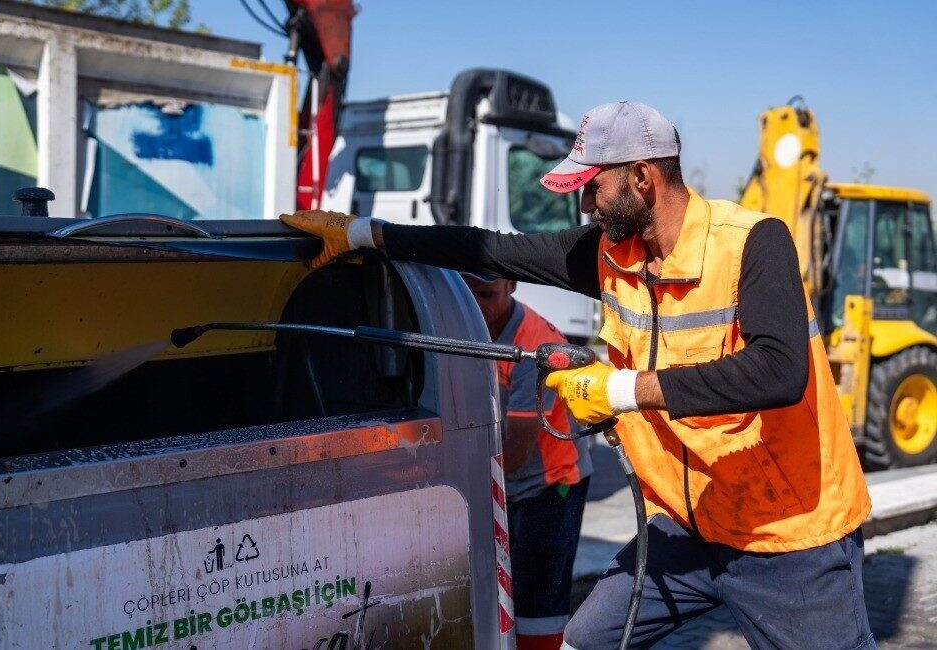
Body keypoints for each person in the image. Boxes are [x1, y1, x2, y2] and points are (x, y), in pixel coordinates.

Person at [282, 101, 874, 650]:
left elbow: (778, 371)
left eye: (592, 189)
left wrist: (621, 391)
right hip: (689, 527)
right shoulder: (613, 255)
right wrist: (366, 234)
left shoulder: (753, 243)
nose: (585, 207)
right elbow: (492, 250)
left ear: (643, 177)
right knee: (585, 639)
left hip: (790, 536)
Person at [463, 273, 591, 650]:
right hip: (511, 484)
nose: (476, 304)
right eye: (468, 293)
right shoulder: (471, 326)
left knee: (539, 599)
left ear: (511, 286)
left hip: (553, 484)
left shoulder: (534, 346)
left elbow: (517, 451)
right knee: (506, 592)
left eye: (486, 294)